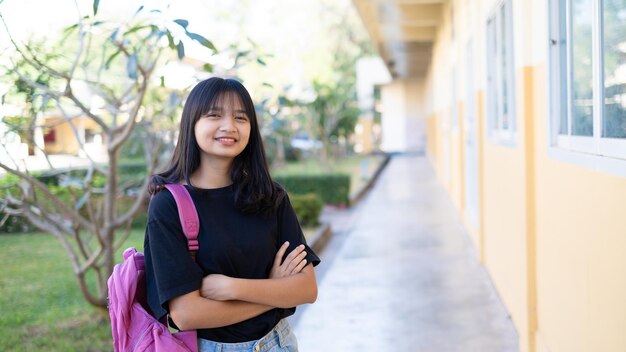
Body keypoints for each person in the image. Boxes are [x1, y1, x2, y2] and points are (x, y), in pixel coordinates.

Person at [144, 77, 320, 352]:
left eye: (241, 117)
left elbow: (306, 289)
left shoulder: (270, 197)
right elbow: (187, 314)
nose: (229, 126)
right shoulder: (169, 205)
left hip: (278, 343)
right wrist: (274, 291)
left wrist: (231, 288)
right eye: (214, 115)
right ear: (192, 123)